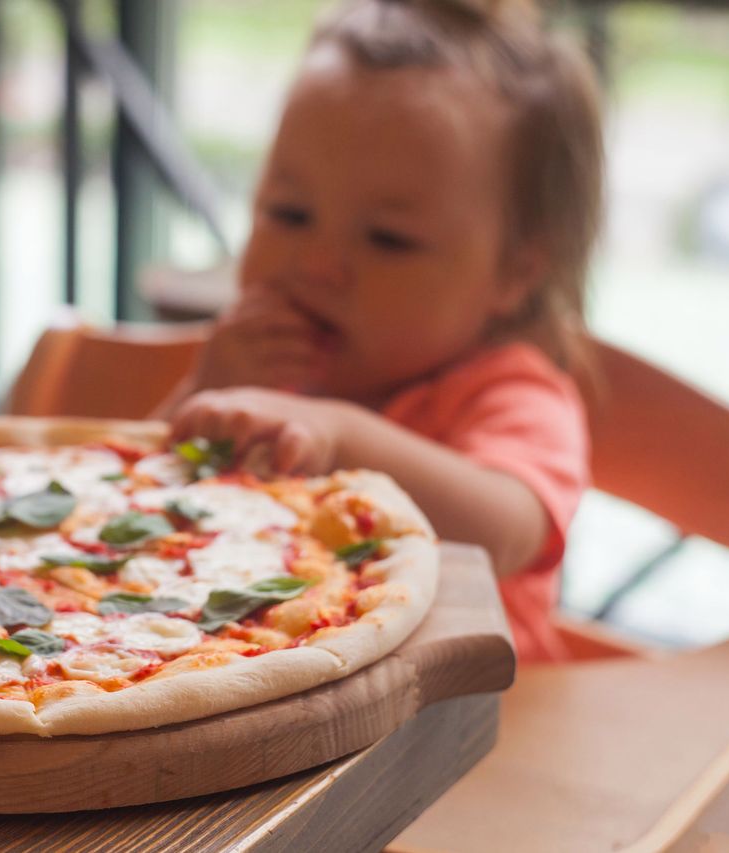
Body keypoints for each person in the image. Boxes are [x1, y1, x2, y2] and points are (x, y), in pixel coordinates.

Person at [165, 0, 605, 663]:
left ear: (514, 271)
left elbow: (507, 529)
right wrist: (207, 391)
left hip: (473, 729)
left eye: (388, 238)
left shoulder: (515, 393)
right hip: (281, 689)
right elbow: (130, 503)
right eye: (289, 212)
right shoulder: (264, 370)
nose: (317, 264)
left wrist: (340, 436)